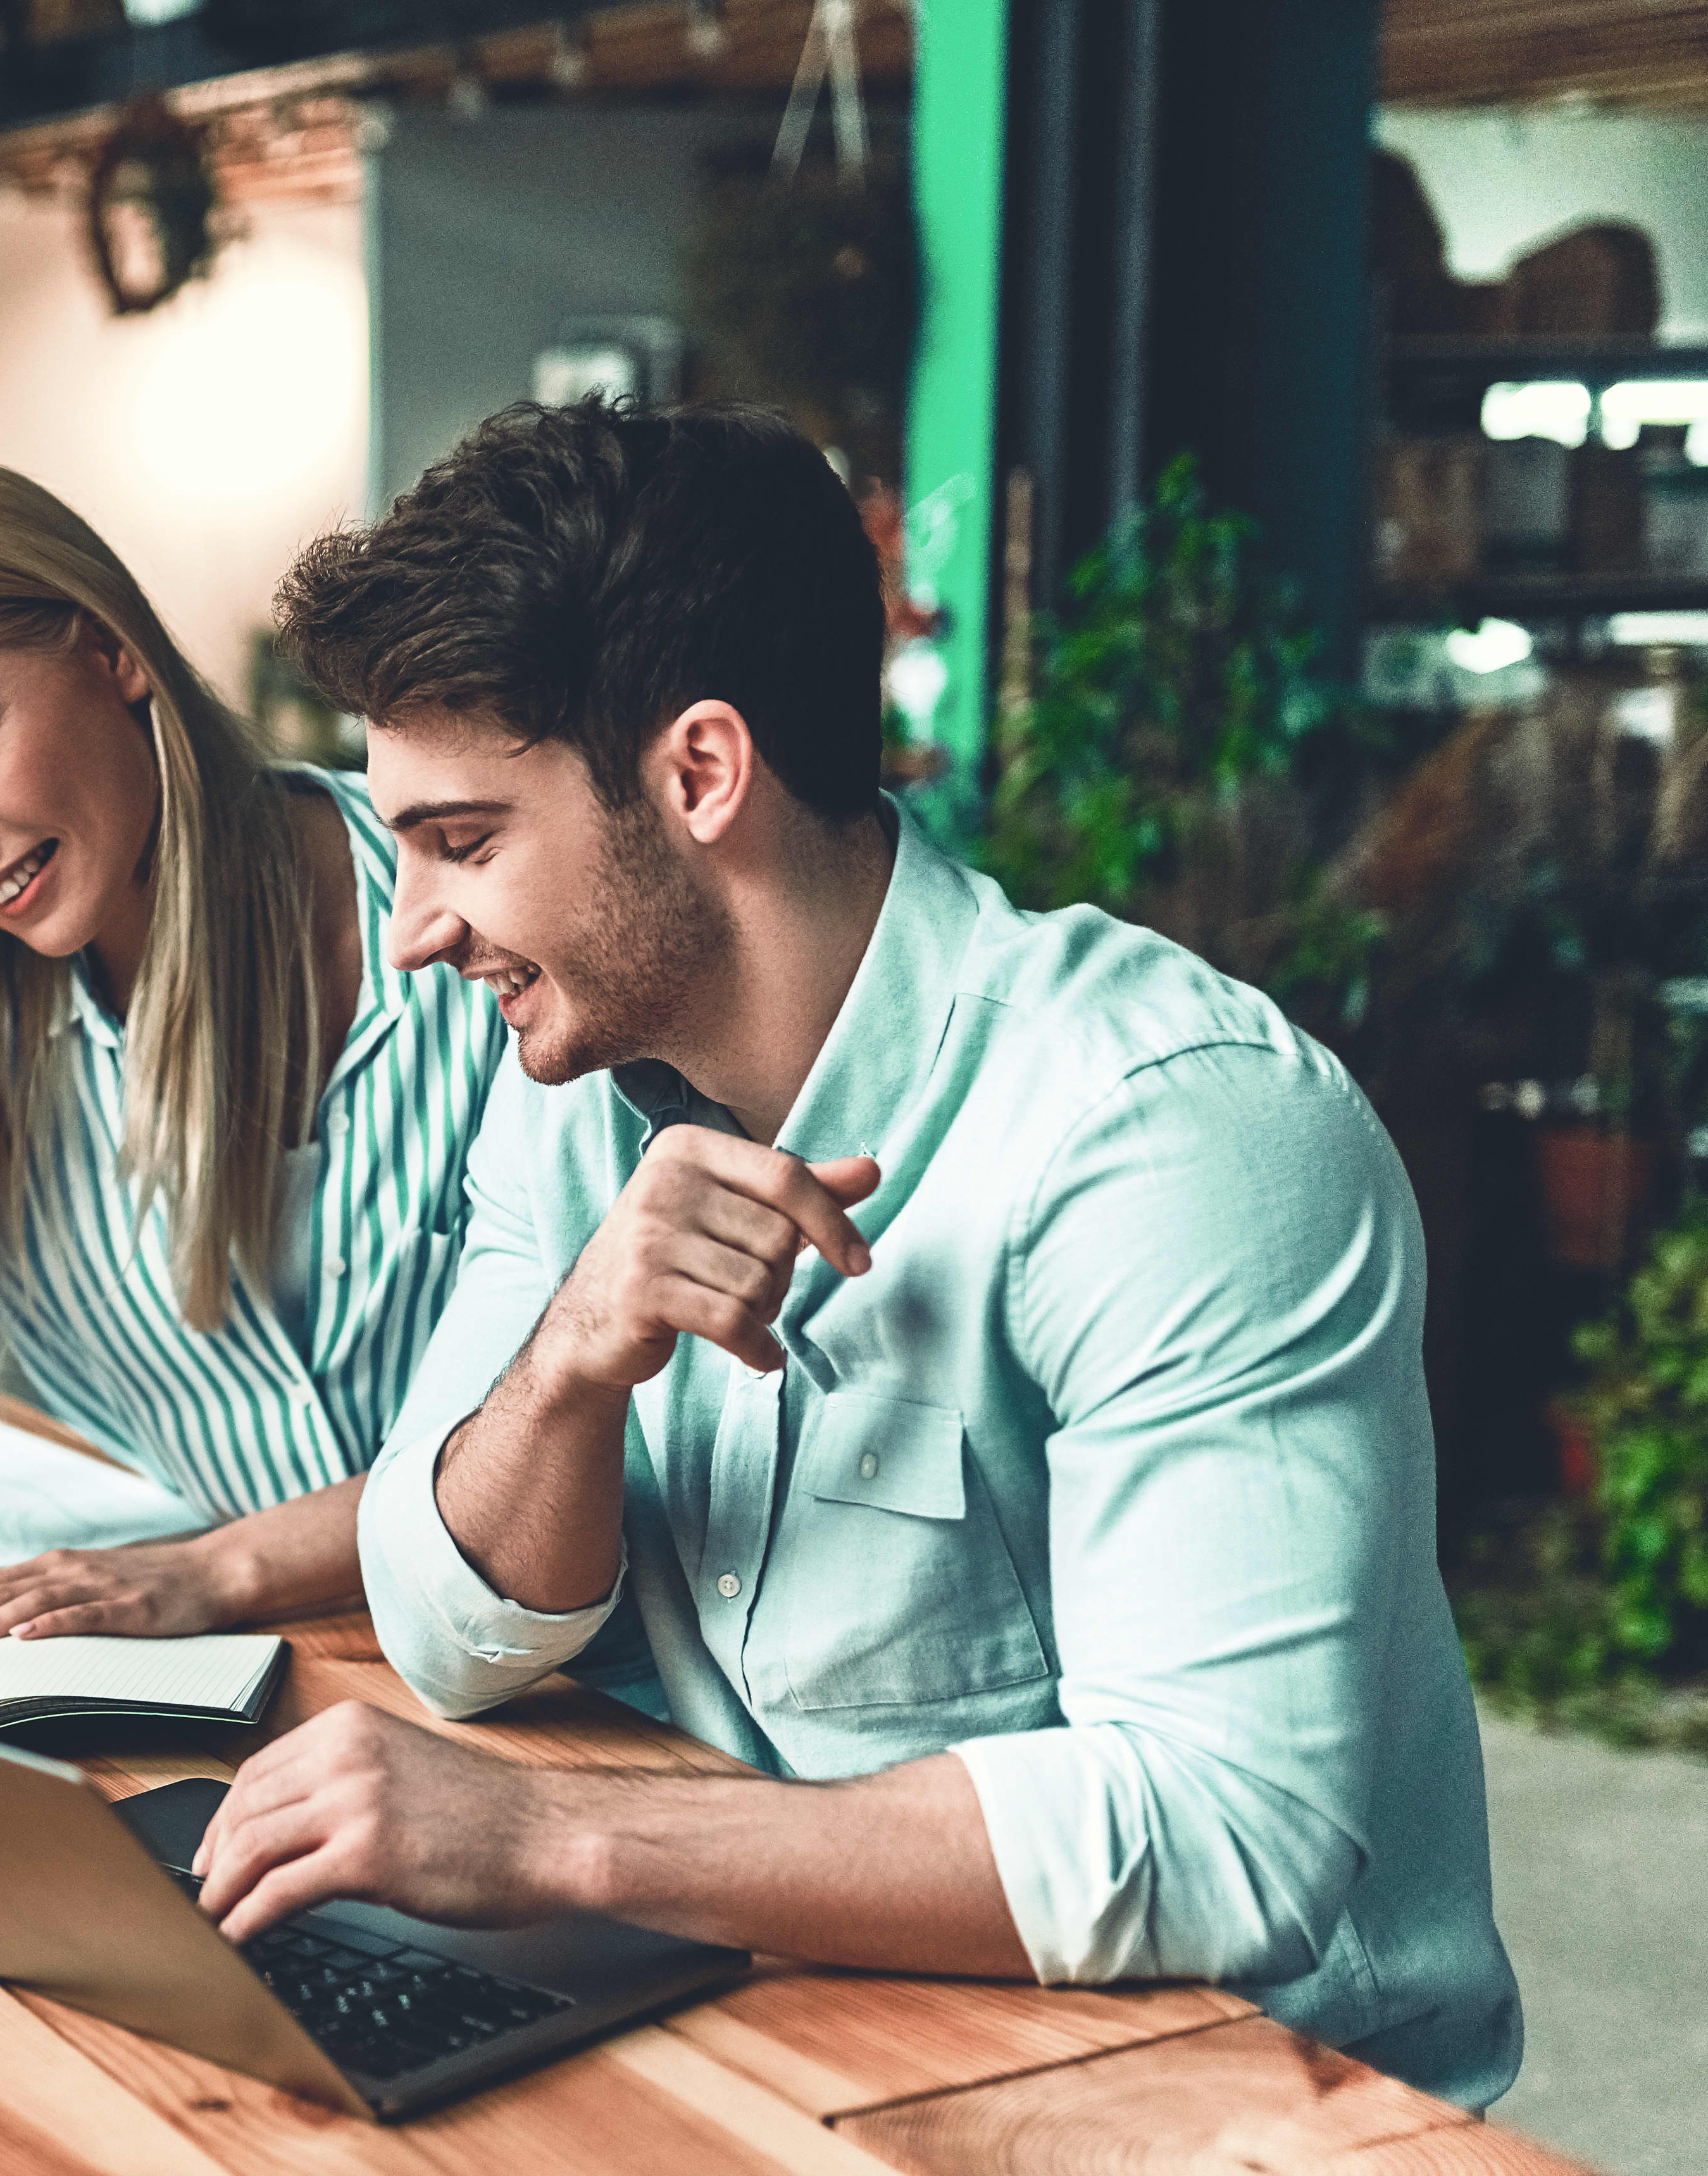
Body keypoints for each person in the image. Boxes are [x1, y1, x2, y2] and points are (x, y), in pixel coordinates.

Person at [191, 399, 1519, 2107]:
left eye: (462, 843)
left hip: (1230, 2107)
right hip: (777, 2029)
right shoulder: (570, 1084)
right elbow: (451, 1634)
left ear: (696, 776)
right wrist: (572, 1357)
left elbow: (1225, 1837)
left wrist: (565, 1836)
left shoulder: (1172, 1136)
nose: (415, 932)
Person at [0, 454, 508, 1668]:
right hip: (285, 1688)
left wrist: (212, 1571)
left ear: (107, 649)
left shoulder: (467, 923)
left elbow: (613, 1422)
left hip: (578, 1685)